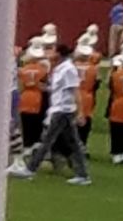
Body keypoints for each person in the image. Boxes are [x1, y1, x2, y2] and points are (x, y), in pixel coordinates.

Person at [19, 43, 87, 182]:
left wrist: (81, 112)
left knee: (47, 140)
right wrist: (45, 88)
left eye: (52, 50)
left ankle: (30, 168)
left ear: (59, 53)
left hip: (63, 110)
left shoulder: (68, 69)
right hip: (60, 108)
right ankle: (82, 174)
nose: (49, 53)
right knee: (73, 143)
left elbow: (75, 91)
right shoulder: (59, 69)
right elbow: (60, 89)